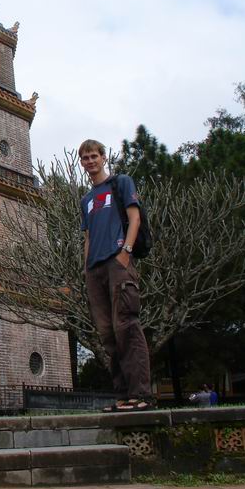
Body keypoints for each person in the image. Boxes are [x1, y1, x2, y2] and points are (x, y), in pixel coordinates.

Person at [79, 139, 154, 411]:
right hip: (95, 269)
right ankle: (122, 395)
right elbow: (87, 235)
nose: (90, 161)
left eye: (94, 156)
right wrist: (86, 266)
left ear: (103, 157)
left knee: (126, 326)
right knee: (107, 333)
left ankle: (141, 394)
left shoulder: (120, 183)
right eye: (85, 158)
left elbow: (135, 218)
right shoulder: (86, 199)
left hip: (117, 262)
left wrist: (126, 252)